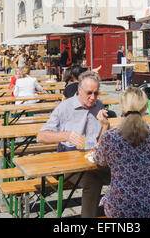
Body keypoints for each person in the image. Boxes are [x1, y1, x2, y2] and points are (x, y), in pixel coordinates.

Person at [93, 86, 150, 218]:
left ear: (122, 107)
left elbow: (98, 159)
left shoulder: (111, 137)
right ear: (145, 106)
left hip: (123, 208)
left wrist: (104, 126)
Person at [36, 70, 111, 218]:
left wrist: (105, 127)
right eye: (89, 93)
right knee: (93, 181)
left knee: (126, 170)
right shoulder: (65, 107)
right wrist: (66, 135)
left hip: (94, 161)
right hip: (69, 164)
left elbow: (101, 144)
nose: (93, 97)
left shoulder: (99, 105)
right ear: (79, 90)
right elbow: (41, 136)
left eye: (96, 93)